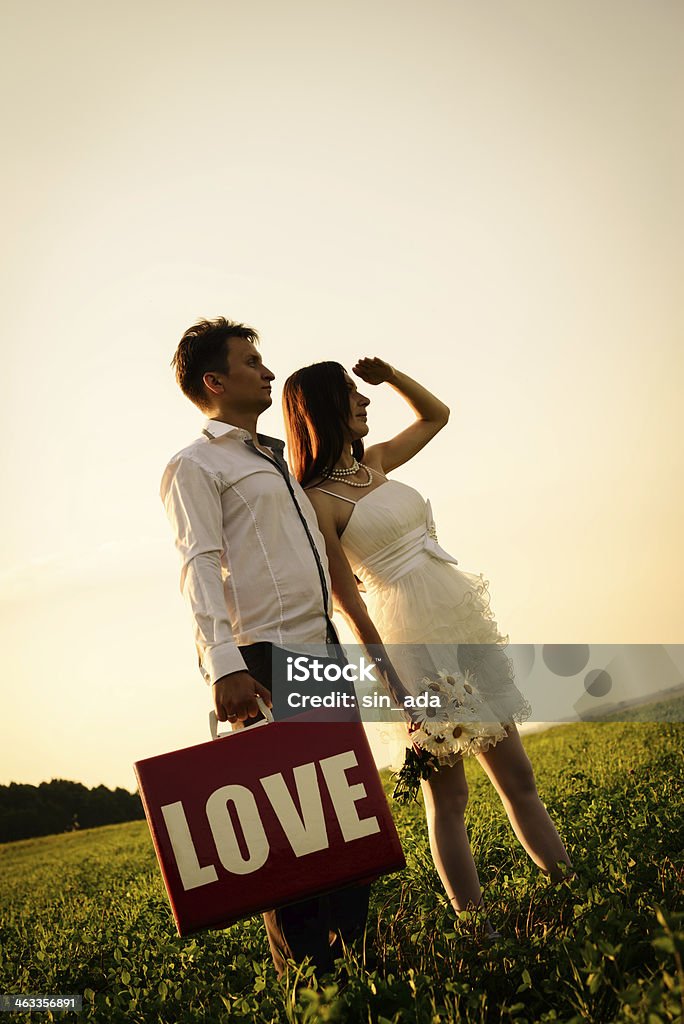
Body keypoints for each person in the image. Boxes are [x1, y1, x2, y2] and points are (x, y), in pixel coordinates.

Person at [283, 357, 574, 938]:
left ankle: (576, 890)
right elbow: (350, 605)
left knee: (518, 777)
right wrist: (400, 693)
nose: (364, 402)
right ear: (321, 409)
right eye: (351, 394)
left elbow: (436, 415)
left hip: (459, 625)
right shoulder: (317, 500)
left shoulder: (377, 463)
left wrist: (388, 374)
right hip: (412, 651)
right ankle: (479, 929)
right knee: (452, 795)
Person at [159, 318, 370, 978]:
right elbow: (199, 562)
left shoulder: (273, 459)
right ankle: (311, 993)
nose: (268, 371)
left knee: (349, 833)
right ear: (215, 381)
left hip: (320, 650)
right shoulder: (195, 465)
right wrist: (222, 665)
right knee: (294, 848)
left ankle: (363, 974)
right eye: (252, 361)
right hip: (264, 664)